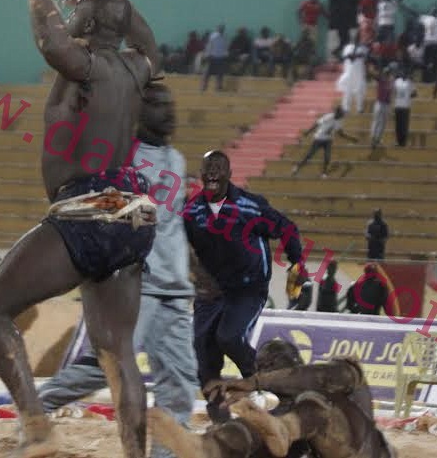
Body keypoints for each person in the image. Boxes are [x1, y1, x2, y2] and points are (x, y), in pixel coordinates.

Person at [0, 0, 160, 458]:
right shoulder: (136, 68)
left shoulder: (88, 65)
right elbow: (148, 42)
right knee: (116, 350)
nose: (68, 17)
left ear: (92, 29)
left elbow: (50, 42)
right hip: (132, 214)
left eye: (78, 14)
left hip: (90, 208)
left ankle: (37, 429)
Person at [38, 84, 198, 458]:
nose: (169, 111)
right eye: (159, 105)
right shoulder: (122, 157)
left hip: (174, 289)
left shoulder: (176, 159)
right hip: (135, 284)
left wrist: (192, 270)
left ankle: (166, 454)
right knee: (102, 368)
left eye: (171, 104)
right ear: (140, 112)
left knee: (180, 379)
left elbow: (175, 223)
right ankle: (35, 407)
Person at [183, 150, 304, 423]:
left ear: (229, 174)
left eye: (219, 167)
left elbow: (286, 228)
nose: (213, 172)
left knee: (229, 336)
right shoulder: (191, 211)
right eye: (208, 168)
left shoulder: (251, 206)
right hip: (209, 294)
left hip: (247, 290)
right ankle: (221, 422)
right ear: (201, 175)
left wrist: (297, 262)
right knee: (204, 357)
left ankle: (259, 384)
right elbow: (173, 243)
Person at [149, 339, 396, 458]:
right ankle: (207, 447)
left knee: (312, 403)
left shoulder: (342, 378)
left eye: (272, 369)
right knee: (264, 429)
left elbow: (319, 377)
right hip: (292, 429)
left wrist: (257, 382)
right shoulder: (284, 418)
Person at [291, 106, 358, 178]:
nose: (343, 116)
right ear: (337, 113)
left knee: (327, 157)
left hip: (328, 140)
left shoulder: (339, 121)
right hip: (319, 138)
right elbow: (317, 123)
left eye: (343, 114)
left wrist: (351, 138)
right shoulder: (328, 117)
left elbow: (340, 133)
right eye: (341, 114)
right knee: (310, 155)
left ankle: (324, 173)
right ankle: (297, 167)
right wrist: (307, 132)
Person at [336, 32, 368, 113]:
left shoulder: (363, 48)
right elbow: (344, 57)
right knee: (347, 91)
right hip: (349, 72)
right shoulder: (347, 47)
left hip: (359, 73)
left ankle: (359, 108)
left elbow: (365, 56)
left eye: (357, 37)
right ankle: (346, 108)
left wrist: (357, 55)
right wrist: (351, 56)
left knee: (360, 90)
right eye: (355, 37)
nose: (356, 39)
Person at [370, 65, 394, 148]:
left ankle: (377, 138)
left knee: (382, 123)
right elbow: (374, 76)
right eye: (387, 72)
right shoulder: (382, 79)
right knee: (377, 121)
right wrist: (372, 70)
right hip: (380, 103)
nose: (387, 74)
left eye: (388, 72)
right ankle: (374, 138)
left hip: (386, 104)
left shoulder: (390, 81)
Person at [419, 7, 437, 82]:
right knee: (433, 62)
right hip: (433, 43)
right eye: (434, 10)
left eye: (435, 11)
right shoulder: (436, 19)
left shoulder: (426, 18)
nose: (434, 12)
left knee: (428, 61)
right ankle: (430, 78)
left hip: (430, 42)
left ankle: (427, 78)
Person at [201, 25, 228, 91]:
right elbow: (210, 46)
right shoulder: (218, 37)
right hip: (216, 57)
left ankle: (208, 87)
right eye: (221, 29)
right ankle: (212, 87)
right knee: (214, 73)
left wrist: (206, 55)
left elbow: (210, 47)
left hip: (216, 57)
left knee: (212, 73)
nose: (222, 30)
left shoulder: (219, 37)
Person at [393, 70, 416, 147]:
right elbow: (393, 91)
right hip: (397, 106)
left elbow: (414, 93)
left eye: (405, 73)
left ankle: (403, 142)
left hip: (406, 107)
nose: (404, 74)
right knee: (398, 126)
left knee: (404, 126)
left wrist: (408, 96)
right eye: (402, 72)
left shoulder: (410, 82)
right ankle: (398, 141)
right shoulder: (396, 81)